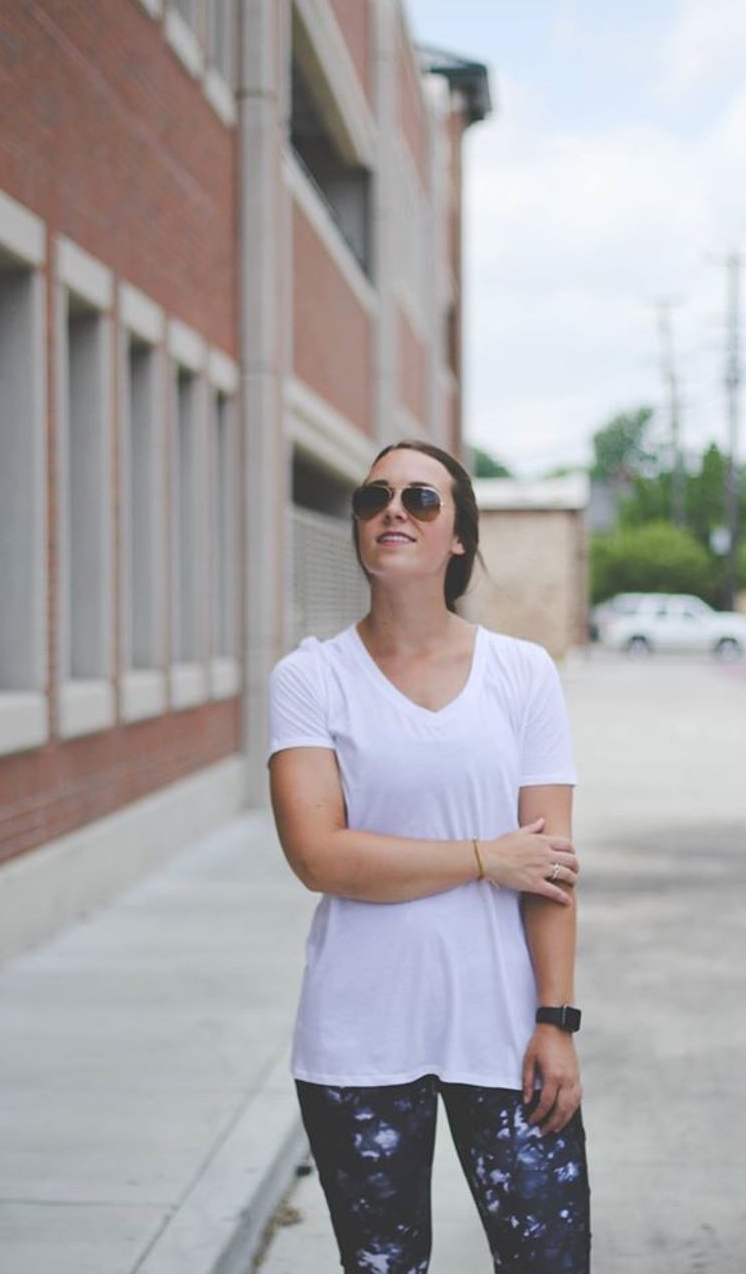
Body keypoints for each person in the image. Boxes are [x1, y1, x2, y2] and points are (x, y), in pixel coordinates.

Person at [266, 439, 590, 1273]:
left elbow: (549, 869)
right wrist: (485, 856)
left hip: (507, 1033)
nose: (391, 513)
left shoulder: (520, 674)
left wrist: (556, 1021)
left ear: (457, 539)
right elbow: (320, 857)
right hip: (358, 1037)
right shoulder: (311, 679)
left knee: (549, 1262)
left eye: (420, 499)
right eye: (374, 498)